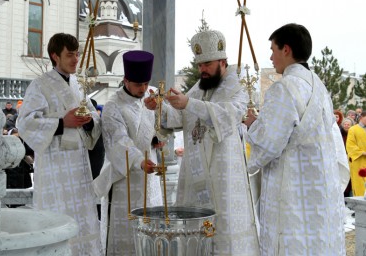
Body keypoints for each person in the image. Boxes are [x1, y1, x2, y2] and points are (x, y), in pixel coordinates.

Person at [145, 30, 259, 255]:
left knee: (224, 233)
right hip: (195, 172)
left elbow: (229, 115)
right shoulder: (198, 88)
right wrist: (160, 107)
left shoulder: (238, 87)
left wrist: (188, 103)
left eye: (207, 64)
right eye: (199, 65)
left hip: (223, 173)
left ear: (222, 61)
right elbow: (181, 117)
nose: (202, 70)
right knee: (196, 235)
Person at [244, 23, 348, 255]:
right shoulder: (319, 87)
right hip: (319, 190)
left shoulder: (284, 88)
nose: (270, 57)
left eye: (273, 49)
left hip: (290, 189)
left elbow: (268, 144)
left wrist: (251, 126)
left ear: (286, 50)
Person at [17, 33, 102, 255]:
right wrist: (62, 123)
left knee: (82, 220)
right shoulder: (40, 85)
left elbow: (94, 116)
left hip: (80, 169)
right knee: (57, 220)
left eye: (77, 54)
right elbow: (25, 123)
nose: (76, 60)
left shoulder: (78, 84)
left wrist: (90, 121)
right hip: (55, 169)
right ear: (55, 56)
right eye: (70, 55)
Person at [93, 50, 163, 256]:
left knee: (152, 232)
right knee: (126, 235)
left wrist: (156, 135)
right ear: (126, 80)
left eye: (145, 84)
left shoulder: (150, 96)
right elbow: (119, 141)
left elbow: (161, 125)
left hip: (150, 179)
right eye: (138, 85)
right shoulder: (114, 106)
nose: (143, 89)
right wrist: (140, 161)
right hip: (124, 179)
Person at [346, 111, 366, 197]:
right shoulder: (353, 129)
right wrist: (362, 152)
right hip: (358, 160)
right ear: (361, 117)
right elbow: (350, 145)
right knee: (359, 184)